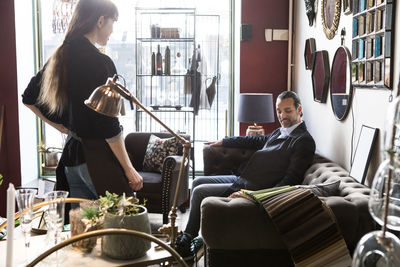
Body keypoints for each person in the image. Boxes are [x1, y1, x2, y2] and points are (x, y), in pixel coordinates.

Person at [22, 0, 143, 202]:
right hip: (96, 161)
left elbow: (29, 98)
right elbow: (108, 125)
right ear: (100, 21)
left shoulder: (60, 56)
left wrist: (62, 126)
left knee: (83, 229)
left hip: (71, 160)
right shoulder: (100, 62)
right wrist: (129, 169)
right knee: (121, 224)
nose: (113, 30)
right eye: (113, 22)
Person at [175, 91, 316, 258]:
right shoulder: (280, 131)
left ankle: (187, 241)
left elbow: (291, 179)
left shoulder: (303, 141)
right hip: (243, 179)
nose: (282, 115)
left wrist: (254, 196)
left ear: (299, 109)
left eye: (287, 110)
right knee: (197, 182)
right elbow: (256, 141)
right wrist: (226, 141)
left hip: (253, 188)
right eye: (279, 111)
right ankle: (196, 238)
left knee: (199, 192)